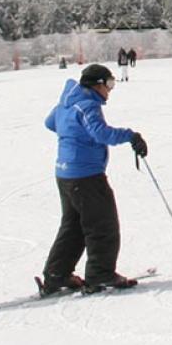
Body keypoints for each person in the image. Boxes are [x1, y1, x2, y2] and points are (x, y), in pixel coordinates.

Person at [40, 65, 149, 296]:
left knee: (73, 227)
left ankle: (56, 275)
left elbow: (50, 123)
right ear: (96, 84)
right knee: (103, 226)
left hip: (65, 174)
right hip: (86, 176)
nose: (110, 90)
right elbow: (101, 133)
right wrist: (130, 135)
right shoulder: (87, 105)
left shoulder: (67, 101)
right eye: (109, 84)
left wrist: (71, 135)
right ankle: (100, 273)